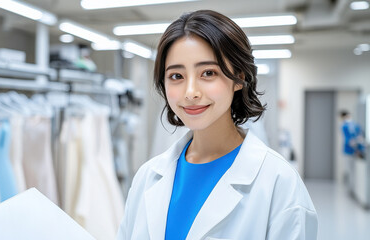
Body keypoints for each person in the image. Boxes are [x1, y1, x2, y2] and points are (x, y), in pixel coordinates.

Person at [116, 10, 317, 240]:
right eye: (176, 76)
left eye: (208, 73)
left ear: (239, 78)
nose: (190, 92)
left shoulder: (280, 183)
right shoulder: (146, 177)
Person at [340, 110, 365, 195]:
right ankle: (351, 190)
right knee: (351, 171)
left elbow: (356, 137)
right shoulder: (347, 126)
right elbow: (351, 140)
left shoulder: (351, 125)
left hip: (352, 151)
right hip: (350, 151)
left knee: (352, 171)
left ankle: (353, 189)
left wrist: (357, 147)